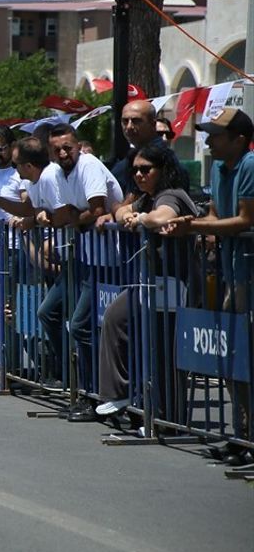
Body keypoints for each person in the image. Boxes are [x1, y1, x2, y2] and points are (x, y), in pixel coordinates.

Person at [161, 107, 254, 457]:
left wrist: (194, 227)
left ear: (239, 140)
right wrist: (194, 221)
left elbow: (244, 220)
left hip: (249, 275)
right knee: (234, 358)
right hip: (232, 273)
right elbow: (216, 214)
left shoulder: (249, 165)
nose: (209, 141)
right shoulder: (217, 167)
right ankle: (242, 434)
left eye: (216, 135)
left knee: (246, 355)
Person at [95, 141, 199, 418]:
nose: (139, 175)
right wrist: (128, 213)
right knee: (118, 320)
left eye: (146, 169)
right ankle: (122, 396)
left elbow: (163, 216)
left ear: (163, 169)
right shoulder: (147, 196)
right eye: (136, 170)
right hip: (151, 285)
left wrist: (141, 218)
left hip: (175, 285)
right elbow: (119, 210)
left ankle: (168, 418)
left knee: (164, 352)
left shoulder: (170, 194)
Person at [36, 123, 123, 419]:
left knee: (81, 325)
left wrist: (74, 218)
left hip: (109, 260)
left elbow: (96, 210)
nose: (63, 153)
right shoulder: (58, 172)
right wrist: (64, 217)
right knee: (48, 311)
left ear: (77, 146)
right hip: (84, 257)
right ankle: (74, 383)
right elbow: (63, 216)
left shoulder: (88, 165)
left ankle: (95, 394)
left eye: (67, 148)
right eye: (57, 149)